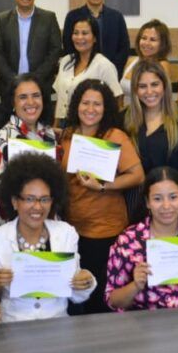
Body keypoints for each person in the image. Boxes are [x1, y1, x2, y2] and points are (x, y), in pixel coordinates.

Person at [60, 79, 144, 313]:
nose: (90, 109)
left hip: (106, 230)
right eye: (85, 102)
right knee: (77, 295)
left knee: (100, 299)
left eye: (97, 104)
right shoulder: (67, 136)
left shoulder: (114, 136)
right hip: (73, 230)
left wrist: (104, 186)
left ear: (106, 107)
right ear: (76, 105)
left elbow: (138, 175)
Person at [0, 152, 96, 322]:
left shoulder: (66, 233)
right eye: (29, 199)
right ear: (14, 202)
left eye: (44, 199)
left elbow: (77, 296)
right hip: (11, 328)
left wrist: (85, 280)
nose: (37, 207)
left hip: (58, 325)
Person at [104, 167, 178, 311]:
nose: (166, 206)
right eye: (157, 199)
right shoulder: (128, 241)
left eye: (173, 197)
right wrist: (135, 286)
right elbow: (113, 301)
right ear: (147, 202)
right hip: (143, 325)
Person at [0, 0, 62, 122]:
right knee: (10, 136)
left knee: (41, 135)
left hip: (41, 88)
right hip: (10, 88)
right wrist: (13, 79)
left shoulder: (49, 18)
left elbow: (55, 50)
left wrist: (35, 79)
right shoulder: (3, 19)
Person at [0, 74, 57, 221]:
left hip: (46, 216)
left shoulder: (48, 133)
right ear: (13, 102)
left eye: (36, 95)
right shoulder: (5, 136)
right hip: (14, 221)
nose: (31, 102)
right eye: (23, 97)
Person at [124, 60, 178, 185]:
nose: (149, 92)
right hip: (133, 197)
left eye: (155, 84)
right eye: (142, 86)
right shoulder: (124, 119)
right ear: (135, 90)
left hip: (170, 198)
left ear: (164, 85)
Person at [53, 14, 123, 125]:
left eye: (85, 33)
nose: (79, 37)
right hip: (63, 125)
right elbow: (60, 98)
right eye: (76, 33)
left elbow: (117, 99)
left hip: (90, 125)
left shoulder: (104, 65)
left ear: (95, 38)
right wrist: (55, 125)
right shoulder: (66, 61)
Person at [62, 0, 130, 77]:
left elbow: (123, 49)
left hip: (111, 75)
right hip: (81, 76)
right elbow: (68, 48)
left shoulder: (117, 17)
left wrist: (111, 71)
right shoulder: (73, 16)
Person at [120, 19, 173, 98]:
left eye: (153, 40)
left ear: (162, 44)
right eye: (144, 38)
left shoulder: (163, 65)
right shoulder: (131, 61)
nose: (147, 43)